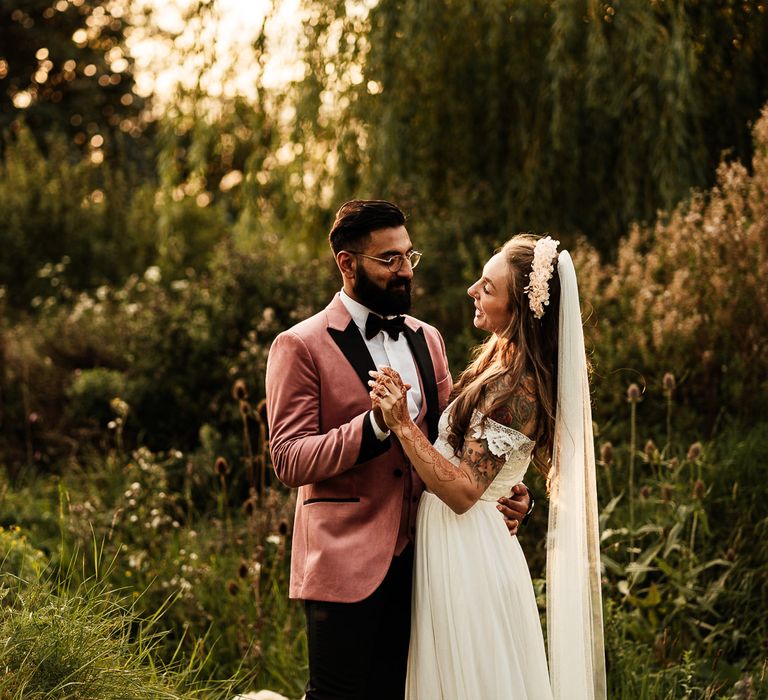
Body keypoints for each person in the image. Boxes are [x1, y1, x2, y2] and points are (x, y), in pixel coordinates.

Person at [264, 200, 532, 700]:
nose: (405, 270)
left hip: (425, 561)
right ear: (347, 263)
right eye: (389, 260)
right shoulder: (298, 345)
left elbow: (457, 446)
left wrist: (510, 492)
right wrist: (375, 427)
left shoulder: (428, 340)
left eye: (409, 256)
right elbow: (289, 458)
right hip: (344, 562)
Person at [370, 234, 607, 700]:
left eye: (488, 287)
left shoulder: (519, 391)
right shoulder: (500, 362)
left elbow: (462, 493)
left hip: (469, 554)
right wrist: (513, 492)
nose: (472, 291)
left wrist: (401, 423)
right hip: (458, 543)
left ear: (519, 311)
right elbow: (491, 469)